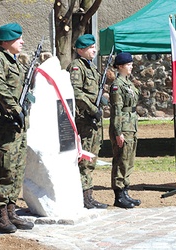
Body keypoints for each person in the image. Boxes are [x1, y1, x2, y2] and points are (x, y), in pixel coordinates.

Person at [0, 22, 34, 233]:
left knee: (17, 168)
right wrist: (15, 108)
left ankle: (12, 211)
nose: (22, 42)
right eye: (18, 38)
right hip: (5, 123)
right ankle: (1, 215)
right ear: (6, 41)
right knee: (5, 168)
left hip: (19, 124)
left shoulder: (15, 63)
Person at [66, 34, 108, 209]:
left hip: (93, 120)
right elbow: (76, 92)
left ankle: (88, 194)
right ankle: (84, 196)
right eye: (91, 47)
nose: (94, 50)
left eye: (94, 47)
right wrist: (92, 109)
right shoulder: (77, 67)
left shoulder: (91, 67)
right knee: (85, 160)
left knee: (92, 158)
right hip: (84, 119)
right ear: (81, 50)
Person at [109, 52, 141, 209]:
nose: (131, 66)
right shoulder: (117, 85)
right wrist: (118, 132)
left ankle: (126, 191)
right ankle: (119, 195)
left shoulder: (128, 83)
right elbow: (117, 110)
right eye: (128, 64)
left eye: (131, 64)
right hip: (123, 127)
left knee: (129, 160)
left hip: (131, 126)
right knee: (121, 160)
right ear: (120, 66)